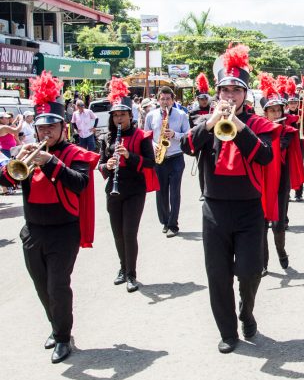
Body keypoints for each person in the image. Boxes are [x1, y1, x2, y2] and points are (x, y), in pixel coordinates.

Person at [180, 45, 281, 354]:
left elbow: (265, 155)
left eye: (237, 90)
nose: (230, 96)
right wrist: (211, 123)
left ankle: (246, 312)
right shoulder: (206, 122)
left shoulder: (259, 123)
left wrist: (237, 125)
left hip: (250, 208)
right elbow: (186, 147)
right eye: (225, 90)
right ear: (218, 92)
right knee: (217, 275)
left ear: (245, 94)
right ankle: (227, 331)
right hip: (214, 208)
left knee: (251, 271)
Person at [0, 71, 99, 363]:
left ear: (62, 128)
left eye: (52, 128)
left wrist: (52, 162)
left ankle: (62, 336)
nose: (46, 134)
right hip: (33, 231)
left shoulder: (74, 152)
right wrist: (18, 161)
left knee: (58, 285)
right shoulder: (25, 152)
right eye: (42, 128)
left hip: (63, 231)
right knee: (41, 286)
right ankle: (56, 326)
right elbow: (8, 180)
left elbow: (80, 183)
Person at [98, 78, 158, 293]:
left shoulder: (141, 136)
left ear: (130, 116)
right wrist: (108, 164)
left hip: (135, 189)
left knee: (129, 232)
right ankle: (123, 269)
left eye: (122, 114)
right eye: (115, 115)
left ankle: (132, 274)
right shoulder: (107, 137)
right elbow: (100, 165)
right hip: (113, 190)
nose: (119, 118)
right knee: (117, 233)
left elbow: (150, 163)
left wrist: (129, 156)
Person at [258, 73, 304, 275]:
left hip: (280, 183)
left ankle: (281, 251)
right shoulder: (257, 130)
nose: (277, 114)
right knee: (261, 225)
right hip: (261, 182)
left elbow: (275, 147)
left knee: (278, 224)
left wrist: (274, 129)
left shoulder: (288, 131)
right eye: (272, 111)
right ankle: (263, 262)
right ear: (265, 113)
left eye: (279, 110)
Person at [144, 86, 190, 237]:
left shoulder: (181, 115)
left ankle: (173, 224)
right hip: (159, 158)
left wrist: (175, 134)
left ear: (173, 99)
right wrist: (154, 145)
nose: (165, 102)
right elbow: (146, 136)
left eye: (168, 99)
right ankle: (164, 221)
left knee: (175, 192)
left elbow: (188, 135)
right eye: (162, 99)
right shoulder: (151, 116)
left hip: (176, 157)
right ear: (158, 100)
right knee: (161, 191)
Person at [188, 73, 213, 201]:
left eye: (205, 98)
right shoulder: (193, 112)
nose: (203, 101)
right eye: (201, 99)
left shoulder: (213, 110)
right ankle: (203, 191)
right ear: (197, 99)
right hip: (200, 144)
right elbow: (193, 127)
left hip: (212, 143)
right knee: (202, 169)